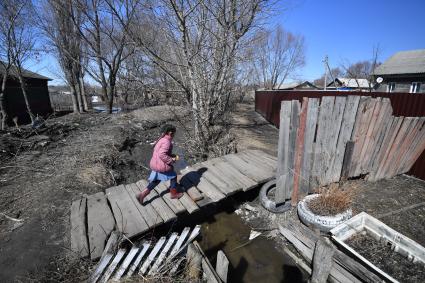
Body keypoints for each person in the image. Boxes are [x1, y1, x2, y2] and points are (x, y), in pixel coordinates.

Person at [137, 124, 183, 204]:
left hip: (155, 163)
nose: (174, 135)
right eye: (174, 133)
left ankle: (142, 194)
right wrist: (171, 160)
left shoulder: (161, 139)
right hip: (161, 165)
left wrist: (171, 155)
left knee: (157, 180)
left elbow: (160, 152)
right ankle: (173, 193)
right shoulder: (167, 142)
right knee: (173, 176)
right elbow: (162, 154)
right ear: (170, 133)